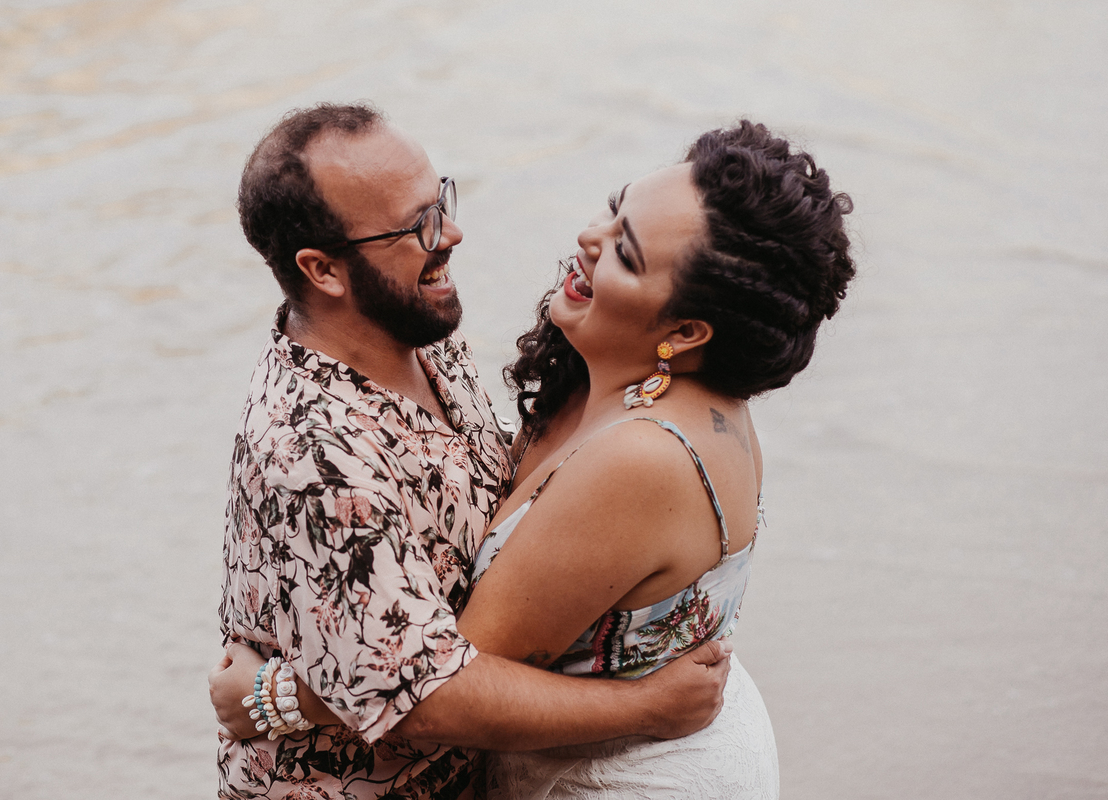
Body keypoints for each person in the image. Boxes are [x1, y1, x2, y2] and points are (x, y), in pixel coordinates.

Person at [215, 113, 855, 798]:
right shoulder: (602, 383)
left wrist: (273, 694)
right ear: (322, 270)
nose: (588, 238)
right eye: (614, 211)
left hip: (622, 773)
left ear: (687, 330)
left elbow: (437, 683)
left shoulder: (639, 453)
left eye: (626, 251)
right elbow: (428, 676)